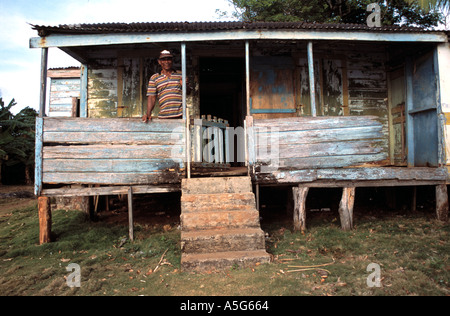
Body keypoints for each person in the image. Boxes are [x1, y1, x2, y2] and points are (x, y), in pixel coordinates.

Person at [142, 50, 184, 123]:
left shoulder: (180, 75)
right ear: (159, 62)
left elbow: (188, 91)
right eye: (163, 59)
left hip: (180, 115)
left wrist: (185, 85)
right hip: (164, 116)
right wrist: (148, 114)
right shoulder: (154, 78)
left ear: (172, 61)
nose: (166, 62)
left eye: (168, 59)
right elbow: (151, 97)